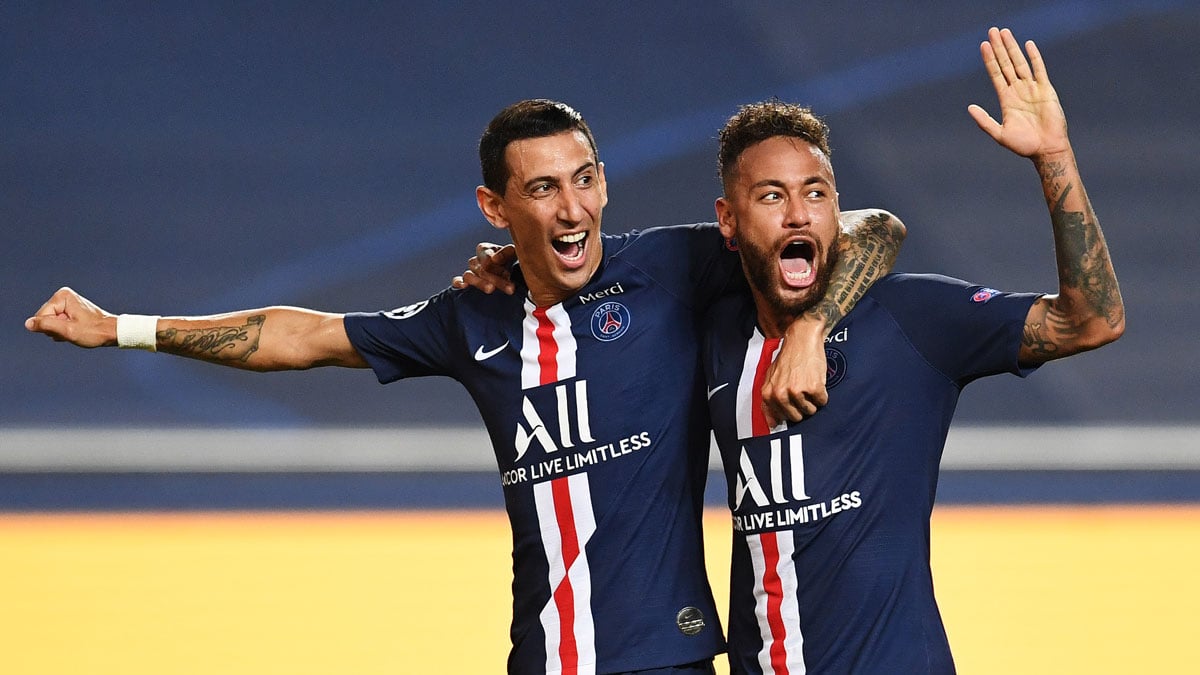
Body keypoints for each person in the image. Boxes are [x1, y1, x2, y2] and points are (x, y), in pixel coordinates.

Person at [25, 99, 904, 674]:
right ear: (496, 208)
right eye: (545, 189)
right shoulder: (470, 316)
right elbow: (301, 337)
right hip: (539, 657)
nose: (574, 209)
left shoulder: (675, 266)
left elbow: (869, 225)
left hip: (664, 657)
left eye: (587, 180)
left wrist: (810, 327)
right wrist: (120, 327)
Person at [702, 28, 1124, 673]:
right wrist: (503, 265)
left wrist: (1055, 157)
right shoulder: (709, 330)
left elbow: (1091, 321)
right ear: (727, 220)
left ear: (836, 208)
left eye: (816, 193)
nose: (797, 215)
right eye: (771, 196)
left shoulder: (910, 317)